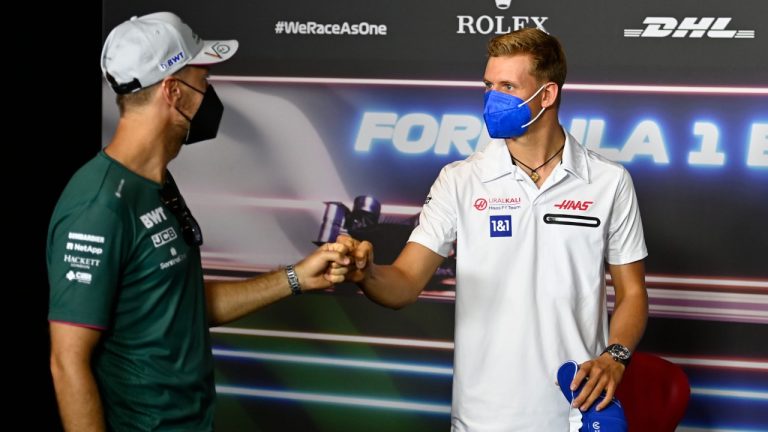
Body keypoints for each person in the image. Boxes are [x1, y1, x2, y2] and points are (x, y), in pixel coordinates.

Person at [47, 12, 350, 431]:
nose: (209, 91)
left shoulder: (157, 182)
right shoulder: (98, 207)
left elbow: (179, 305)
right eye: (203, 79)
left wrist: (296, 277)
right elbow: (67, 361)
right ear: (174, 91)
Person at [338, 28, 648, 431]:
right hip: (483, 418)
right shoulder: (459, 180)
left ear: (547, 95)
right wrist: (366, 273)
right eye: (488, 85)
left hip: (575, 413)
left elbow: (634, 292)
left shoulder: (609, 181)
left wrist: (615, 357)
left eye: (507, 86)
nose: (491, 98)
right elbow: (403, 284)